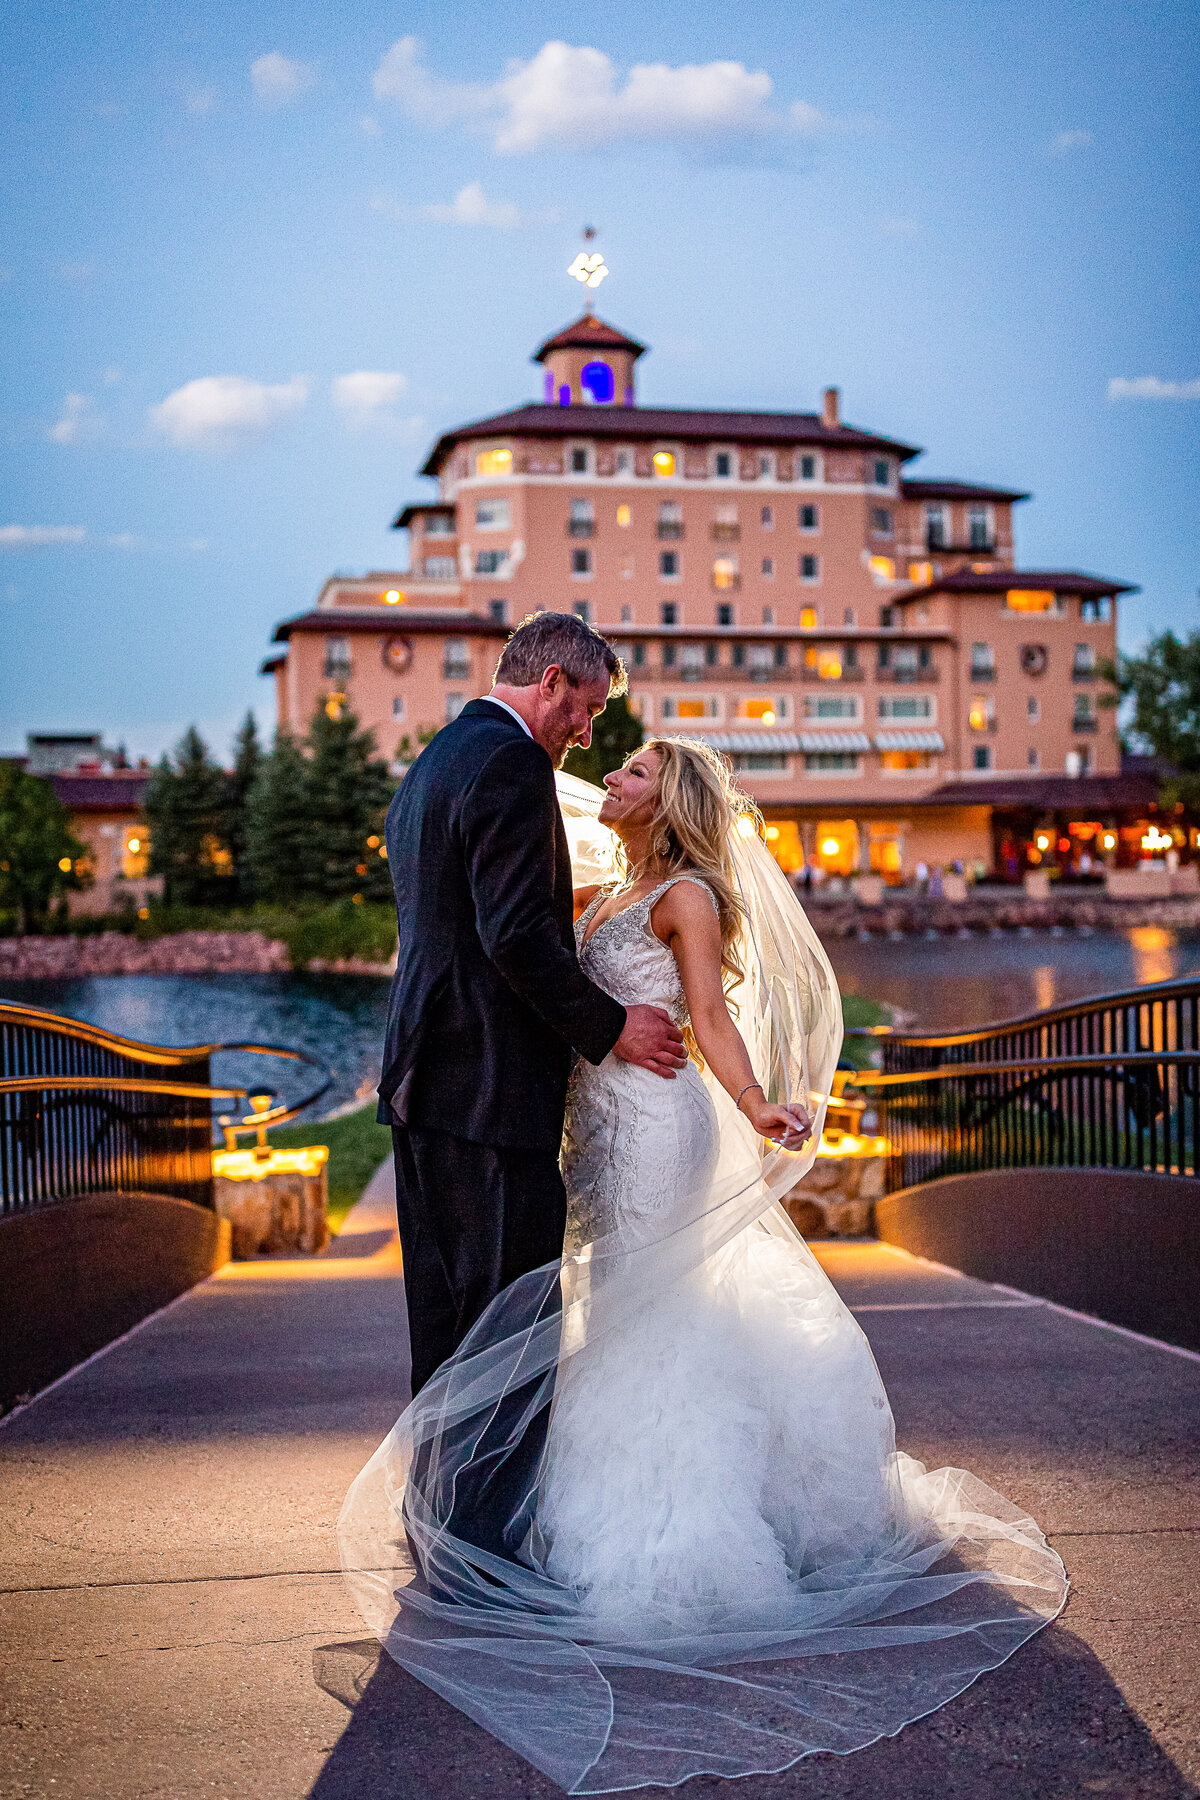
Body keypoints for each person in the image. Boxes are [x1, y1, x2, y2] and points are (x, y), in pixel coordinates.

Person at [344, 737, 1066, 1794]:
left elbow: (712, 1017)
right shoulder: (607, 887)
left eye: (632, 770)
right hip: (592, 1132)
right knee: (612, 1314)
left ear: (667, 797)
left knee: (650, 1317)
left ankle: (678, 1544)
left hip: (657, 1127)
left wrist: (757, 1099)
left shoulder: (685, 895)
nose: (612, 781)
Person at [376, 612, 685, 1552]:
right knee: (514, 1324)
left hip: (425, 1080)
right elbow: (514, 935)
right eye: (586, 710)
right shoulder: (510, 764)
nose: (586, 736)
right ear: (551, 682)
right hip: (487, 1089)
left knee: (447, 1319)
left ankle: (442, 1523)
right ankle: (494, 1543)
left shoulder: (435, 760)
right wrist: (610, 1026)